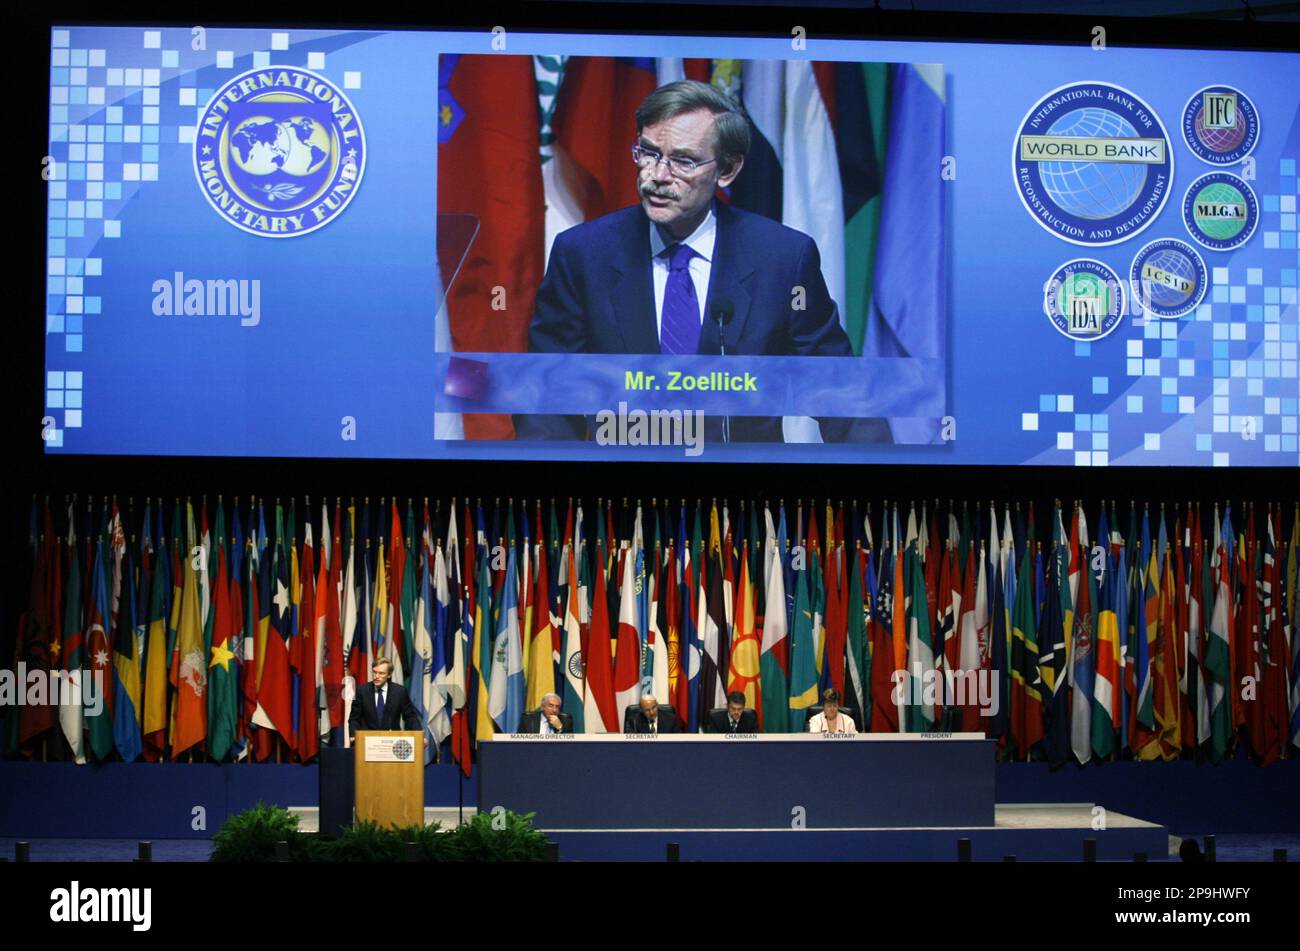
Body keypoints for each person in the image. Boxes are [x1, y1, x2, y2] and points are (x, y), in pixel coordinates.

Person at [515, 79, 889, 445]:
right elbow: (546, 396)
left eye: (683, 161)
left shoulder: (782, 259)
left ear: (727, 170)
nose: (658, 176)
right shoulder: (583, 253)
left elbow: (839, 392)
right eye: (648, 153)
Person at [347, 658, 421, 737]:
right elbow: (354, 719)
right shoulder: (361, 691)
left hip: (392, 740)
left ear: (389, 675)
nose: (376, 676)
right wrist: (354, 735)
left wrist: (420, 736)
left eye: (381, 673)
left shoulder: (400, 692)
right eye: (374, 672)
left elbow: (410, 717)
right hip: (367, 741)